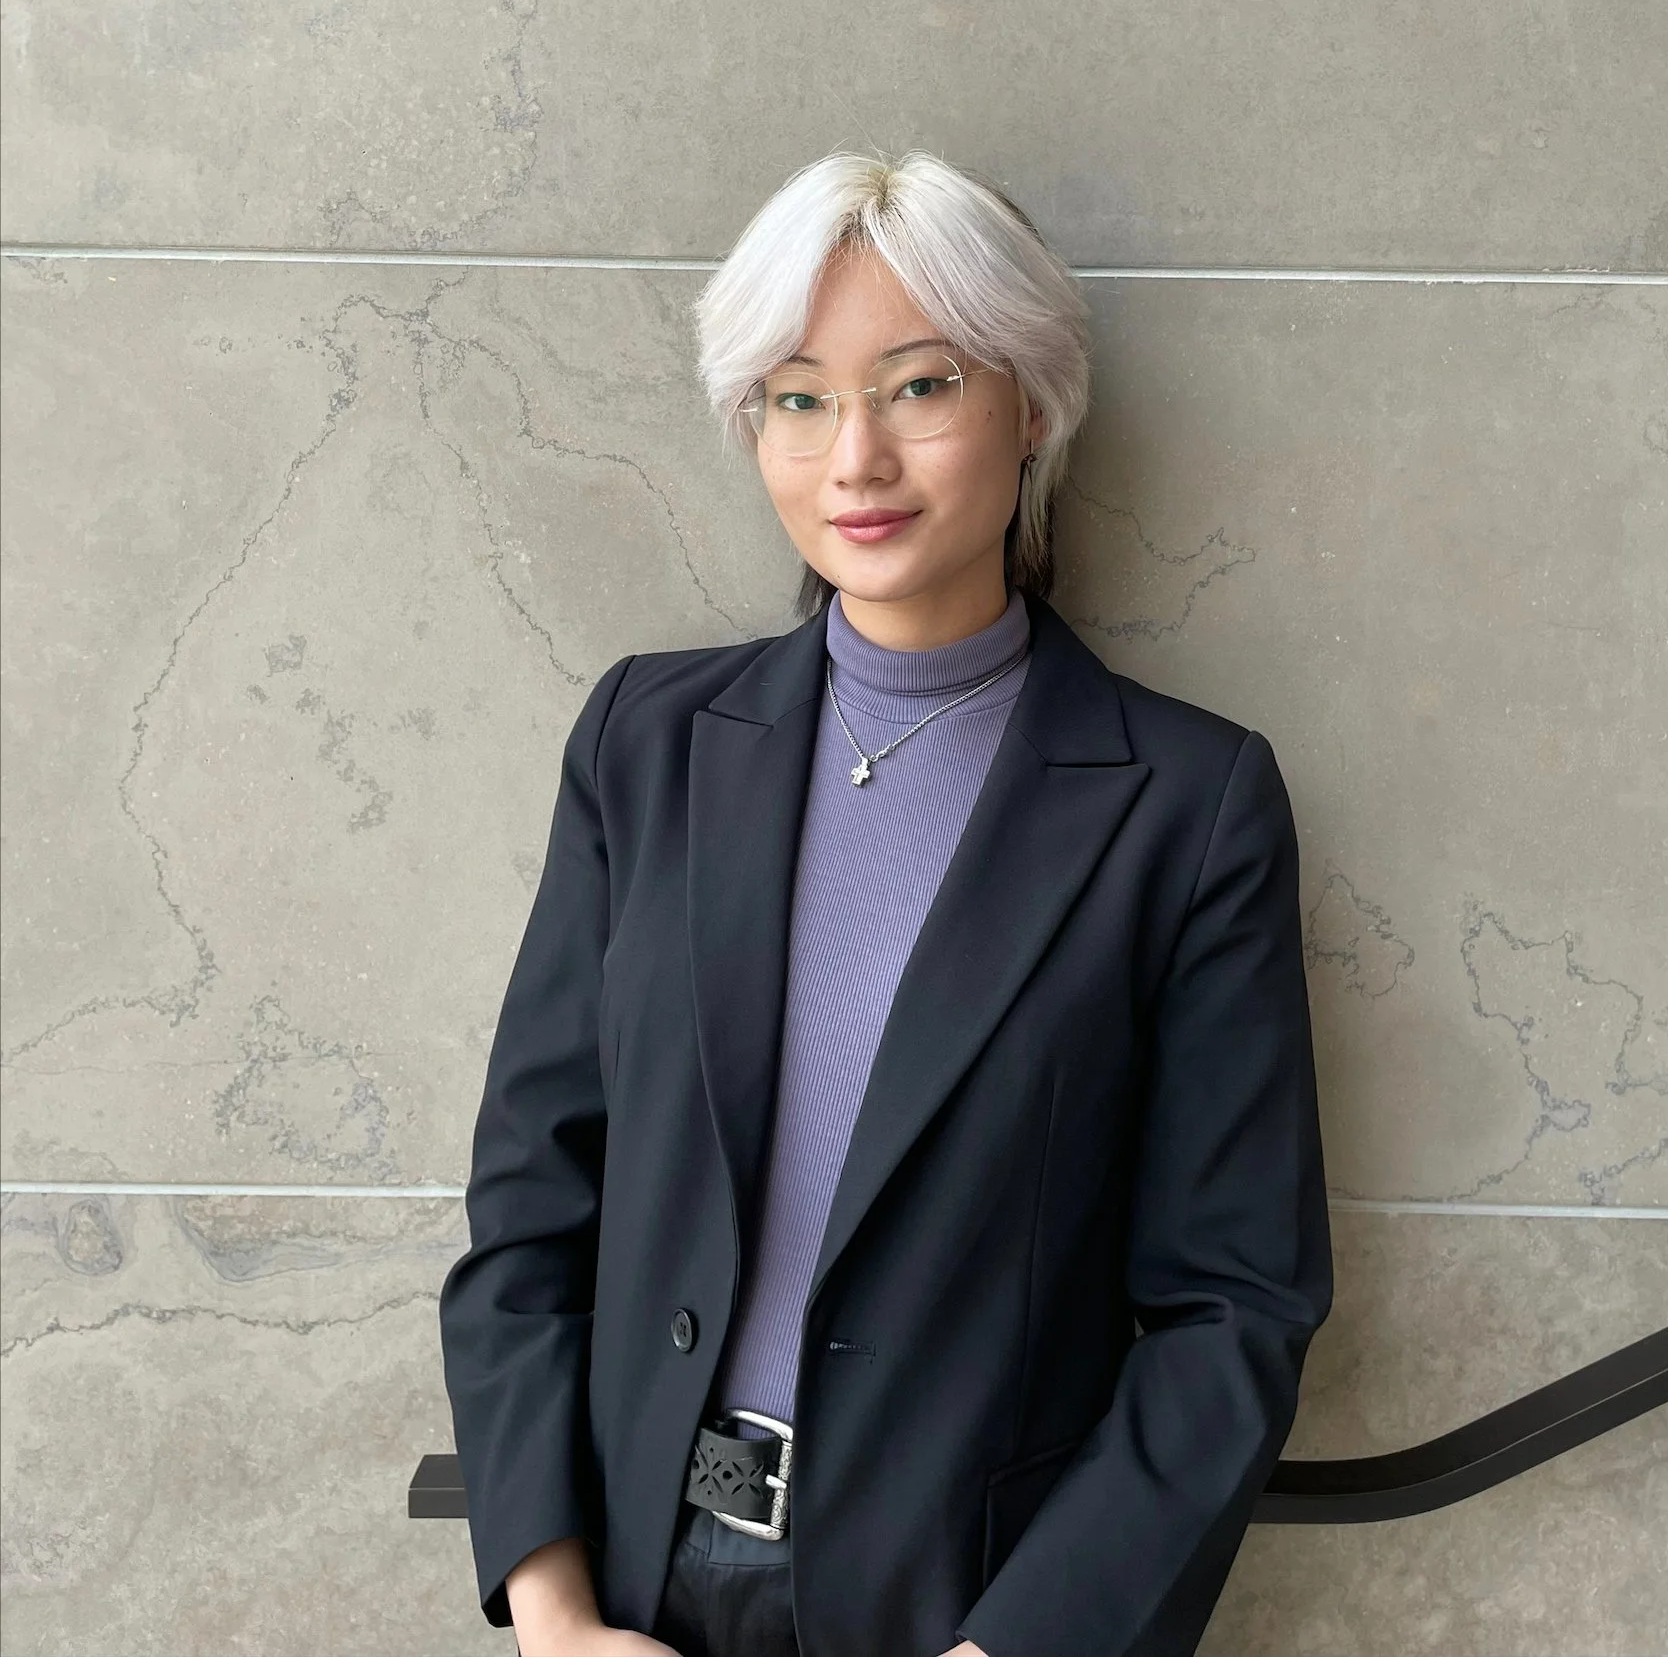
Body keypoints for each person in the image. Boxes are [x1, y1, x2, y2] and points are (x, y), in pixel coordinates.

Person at [439, 149, 1333, 1657]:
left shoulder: (1188, 809)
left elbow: (1231, 1309)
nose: (854, 458)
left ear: (1030, 406)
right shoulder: (647, 744)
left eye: (919, 387)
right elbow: (532, 1204)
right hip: (630, 1585)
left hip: (960, 1608)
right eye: (798, 399)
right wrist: (555, 1614)